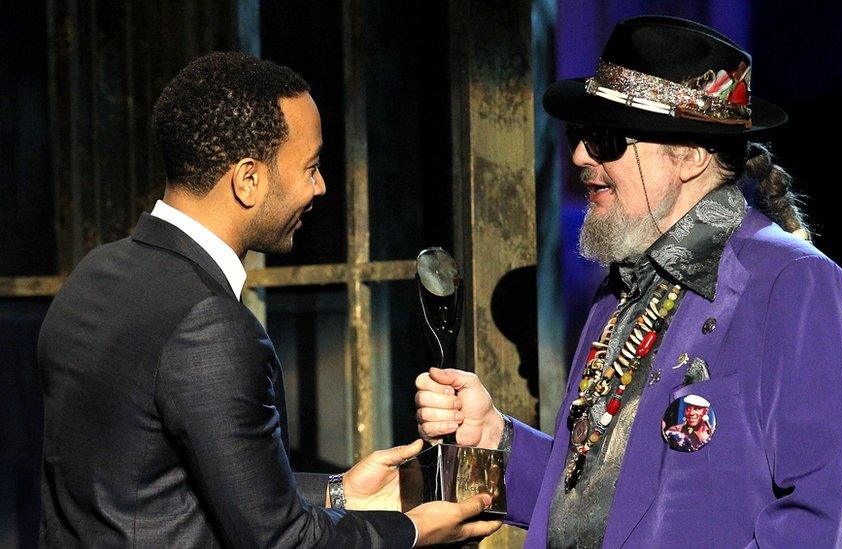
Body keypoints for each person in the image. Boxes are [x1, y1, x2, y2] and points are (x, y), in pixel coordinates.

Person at [416, 16, 842, 548]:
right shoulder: (620, 293)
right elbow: (604, 498)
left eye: (607, 138)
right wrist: (497, 438)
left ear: (688, 156)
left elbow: (827, 518)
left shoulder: (794, 283)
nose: (579, 156)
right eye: (581, 135)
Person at [37, 52, 500, 548]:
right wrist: (413, 530)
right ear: (248, 179)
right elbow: (282, 541)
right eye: (311, 167)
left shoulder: (95, 274)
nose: (320, 187)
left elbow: (166, 481)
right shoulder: (211, 325)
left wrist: (339, 492)